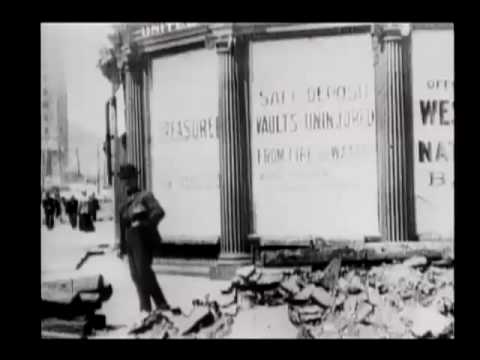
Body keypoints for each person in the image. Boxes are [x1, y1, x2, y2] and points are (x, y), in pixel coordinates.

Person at [117, 164, 170, 330]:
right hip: (130, 241)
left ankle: (152, 307)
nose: (126, 183)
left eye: (128, 180)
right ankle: (153, 307)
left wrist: (144, 223)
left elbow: (159, 212)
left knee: (143, 272)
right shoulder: (124, 203)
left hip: (143, 239)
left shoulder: (145, 196)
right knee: (135, 275)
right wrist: (122, 247)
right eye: (123, 181)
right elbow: (123, 227)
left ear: (135, 178)